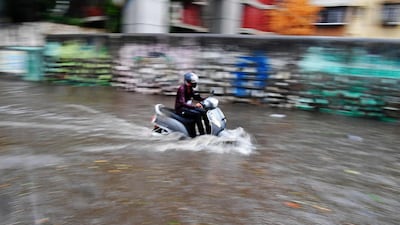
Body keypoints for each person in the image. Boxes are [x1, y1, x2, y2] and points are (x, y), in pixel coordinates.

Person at [175, 72, 210, 137]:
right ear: (188, 82)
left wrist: (207, 98)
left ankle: (208, 131)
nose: (195, 84)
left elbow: (196, 97)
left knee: (204, 112)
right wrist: (194, 106)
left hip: (187, 108)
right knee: (197, 114)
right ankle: (202, 134)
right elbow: (182, 103)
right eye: (193, 82)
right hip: (181, 109)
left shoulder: (190, 89)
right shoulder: (182, 89)